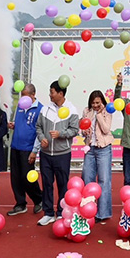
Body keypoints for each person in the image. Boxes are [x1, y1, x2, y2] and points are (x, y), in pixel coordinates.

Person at [36, 81, 79, 226]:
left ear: (61, 93)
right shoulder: (45, 109)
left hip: (62, 154)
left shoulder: (71, 109)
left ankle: (61, 212)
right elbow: (39, 127)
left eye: (52, 92)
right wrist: (42, 139)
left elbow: (74, 130)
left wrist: (61, 134)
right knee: (47, 183)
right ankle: (48, 213)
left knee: (62, 184)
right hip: (46, 154)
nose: (50, 95)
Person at [7, 83, 43, 216]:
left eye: (25, 95)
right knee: (15, 177)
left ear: (33, 95)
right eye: (21, 95)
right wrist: (14, 125)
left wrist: (34, 151)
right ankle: (20, 203)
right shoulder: (20, 107)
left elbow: (39, 132)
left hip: (28, 148)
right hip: (15, 145)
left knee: (27, 177)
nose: (22, 98)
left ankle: (39, 198)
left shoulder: (40, 109)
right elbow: (22, 124)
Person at [81, 90, 113, 223]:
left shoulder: (107, 111)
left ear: (102, 102)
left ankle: (102, 213)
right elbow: (83, 130)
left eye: (98, 103)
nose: (95, 105)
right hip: (90, 148)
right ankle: (88, 210)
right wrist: (84, 131)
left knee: (104, 181)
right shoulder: (86, 111)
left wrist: (99, 115)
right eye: (93, 103)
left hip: (103, 148)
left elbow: (106, 129)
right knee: (87, 178)